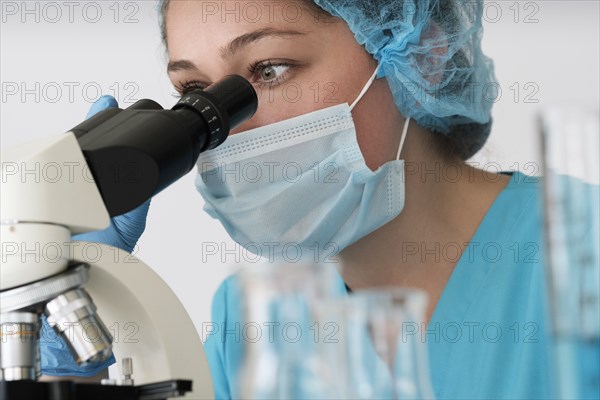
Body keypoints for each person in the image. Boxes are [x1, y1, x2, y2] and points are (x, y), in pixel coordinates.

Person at [40, 0, 563, 398]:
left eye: (269, 69)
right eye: (195, 90)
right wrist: (70, 348)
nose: (228, 127)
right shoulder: (251, 324)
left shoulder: (580, 254)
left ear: (424, 54)